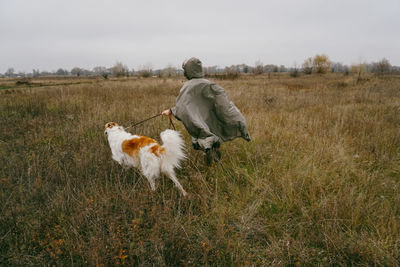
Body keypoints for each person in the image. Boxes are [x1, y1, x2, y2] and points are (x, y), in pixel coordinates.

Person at [162, 57, 250, 165]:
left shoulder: (188, 86)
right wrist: (239, 122)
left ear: (188, 71)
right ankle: (213, 157)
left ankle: (210, 158)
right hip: (209, 118)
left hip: (199, 120)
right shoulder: (209, 84)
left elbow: (183, 106)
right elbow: (224, 103)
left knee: (204, 135)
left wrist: (172, 111)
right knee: (211, 134)